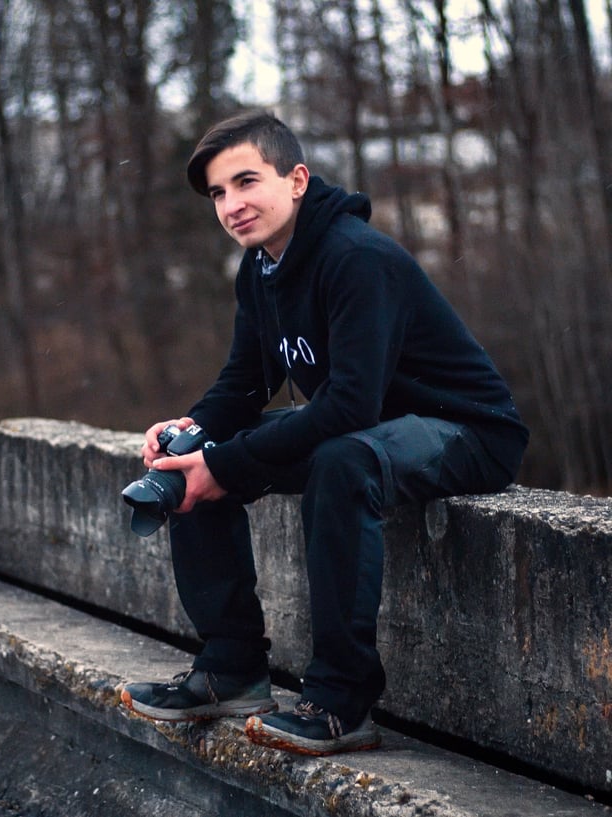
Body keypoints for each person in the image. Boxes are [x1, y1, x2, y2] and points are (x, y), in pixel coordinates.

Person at [120, 110, 528, 756]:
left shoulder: (356, 259)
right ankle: (232, 667)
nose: (231, 205)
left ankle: (341, 700)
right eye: (219, 194)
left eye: (246, 182)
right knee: (195, 458)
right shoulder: (260, 271)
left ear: (297, 179)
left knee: (340, 460)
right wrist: (190, 430)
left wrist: (227, 463)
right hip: (375, 428)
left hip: (469, 432)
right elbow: (244, 384)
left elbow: (350, 407)